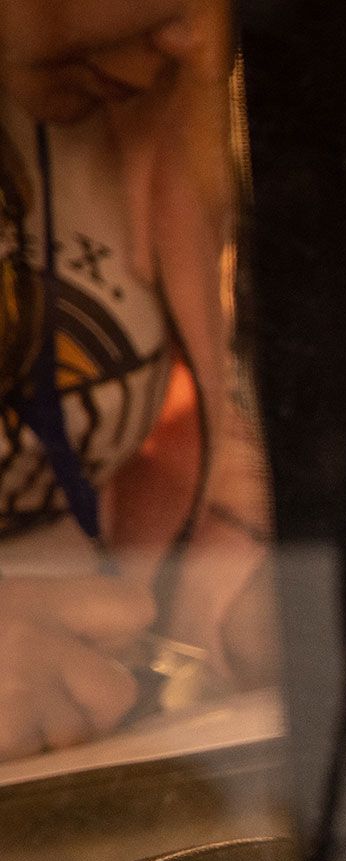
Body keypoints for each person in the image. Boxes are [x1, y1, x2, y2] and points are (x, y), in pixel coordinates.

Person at [0, 0, 274, 764]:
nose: (189, 33)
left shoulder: (147, 107)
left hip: (92, 767)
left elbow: (170, 450)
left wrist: (244, 598)